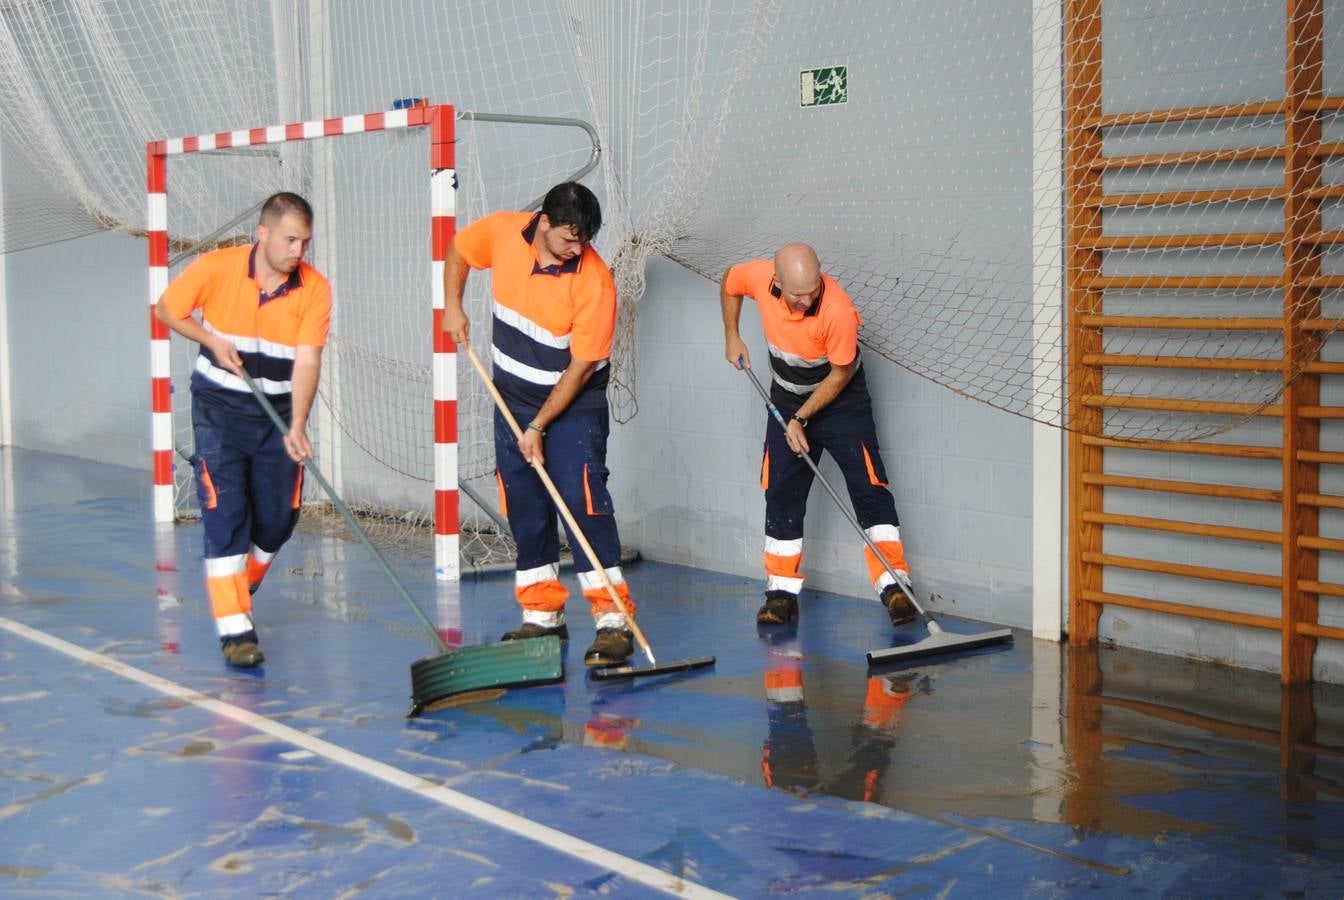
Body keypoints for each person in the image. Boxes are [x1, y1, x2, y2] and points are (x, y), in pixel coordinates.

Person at [440, 181, 637, 666]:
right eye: (571, 238)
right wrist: (453, 304)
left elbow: (579, 369)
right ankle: (542, 615)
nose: (579, 248)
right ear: (543, 223)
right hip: (511, 398)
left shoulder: (595, 282)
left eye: (585, 239)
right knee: (525, 505)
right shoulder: (505, 232)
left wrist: (539, 426)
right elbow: (459, 249)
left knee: (581, 502)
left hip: (572, 404)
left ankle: (613, 622)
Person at [155, 192, 331, 667]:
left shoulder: (314, 288)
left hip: (275, 411)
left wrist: (297, 424)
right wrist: (211, 339)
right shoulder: (217, 267)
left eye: (305, 241)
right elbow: (167, 309)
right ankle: (236, 630)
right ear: (264, 233)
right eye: (291, 239)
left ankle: (241, 580)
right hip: (218, 409)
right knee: (224, 511)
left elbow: (308, 359)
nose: (299, 250)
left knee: (277, 520)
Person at [720, 243, 916, 626]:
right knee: (781, 492)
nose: (808, 299)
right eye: (798, 294)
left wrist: (801, 419)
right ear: (777, 281)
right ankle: (780, 594)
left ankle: (896, 586)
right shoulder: (760, 278)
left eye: (813, 289)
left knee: (869, 487)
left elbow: (840, 375)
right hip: (786, 396)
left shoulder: (837, 311)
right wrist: (732, 334)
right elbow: (729, 282)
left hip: (841, 403)